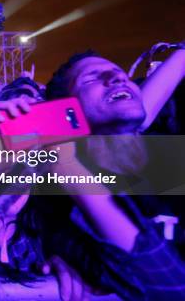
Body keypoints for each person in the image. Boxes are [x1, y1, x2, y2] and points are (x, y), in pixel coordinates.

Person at [44, 50, 185, 299]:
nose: (116, 78)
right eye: (90, 79)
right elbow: (170, 288)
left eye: (121, 73)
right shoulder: (62, 205)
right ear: (66, 112)